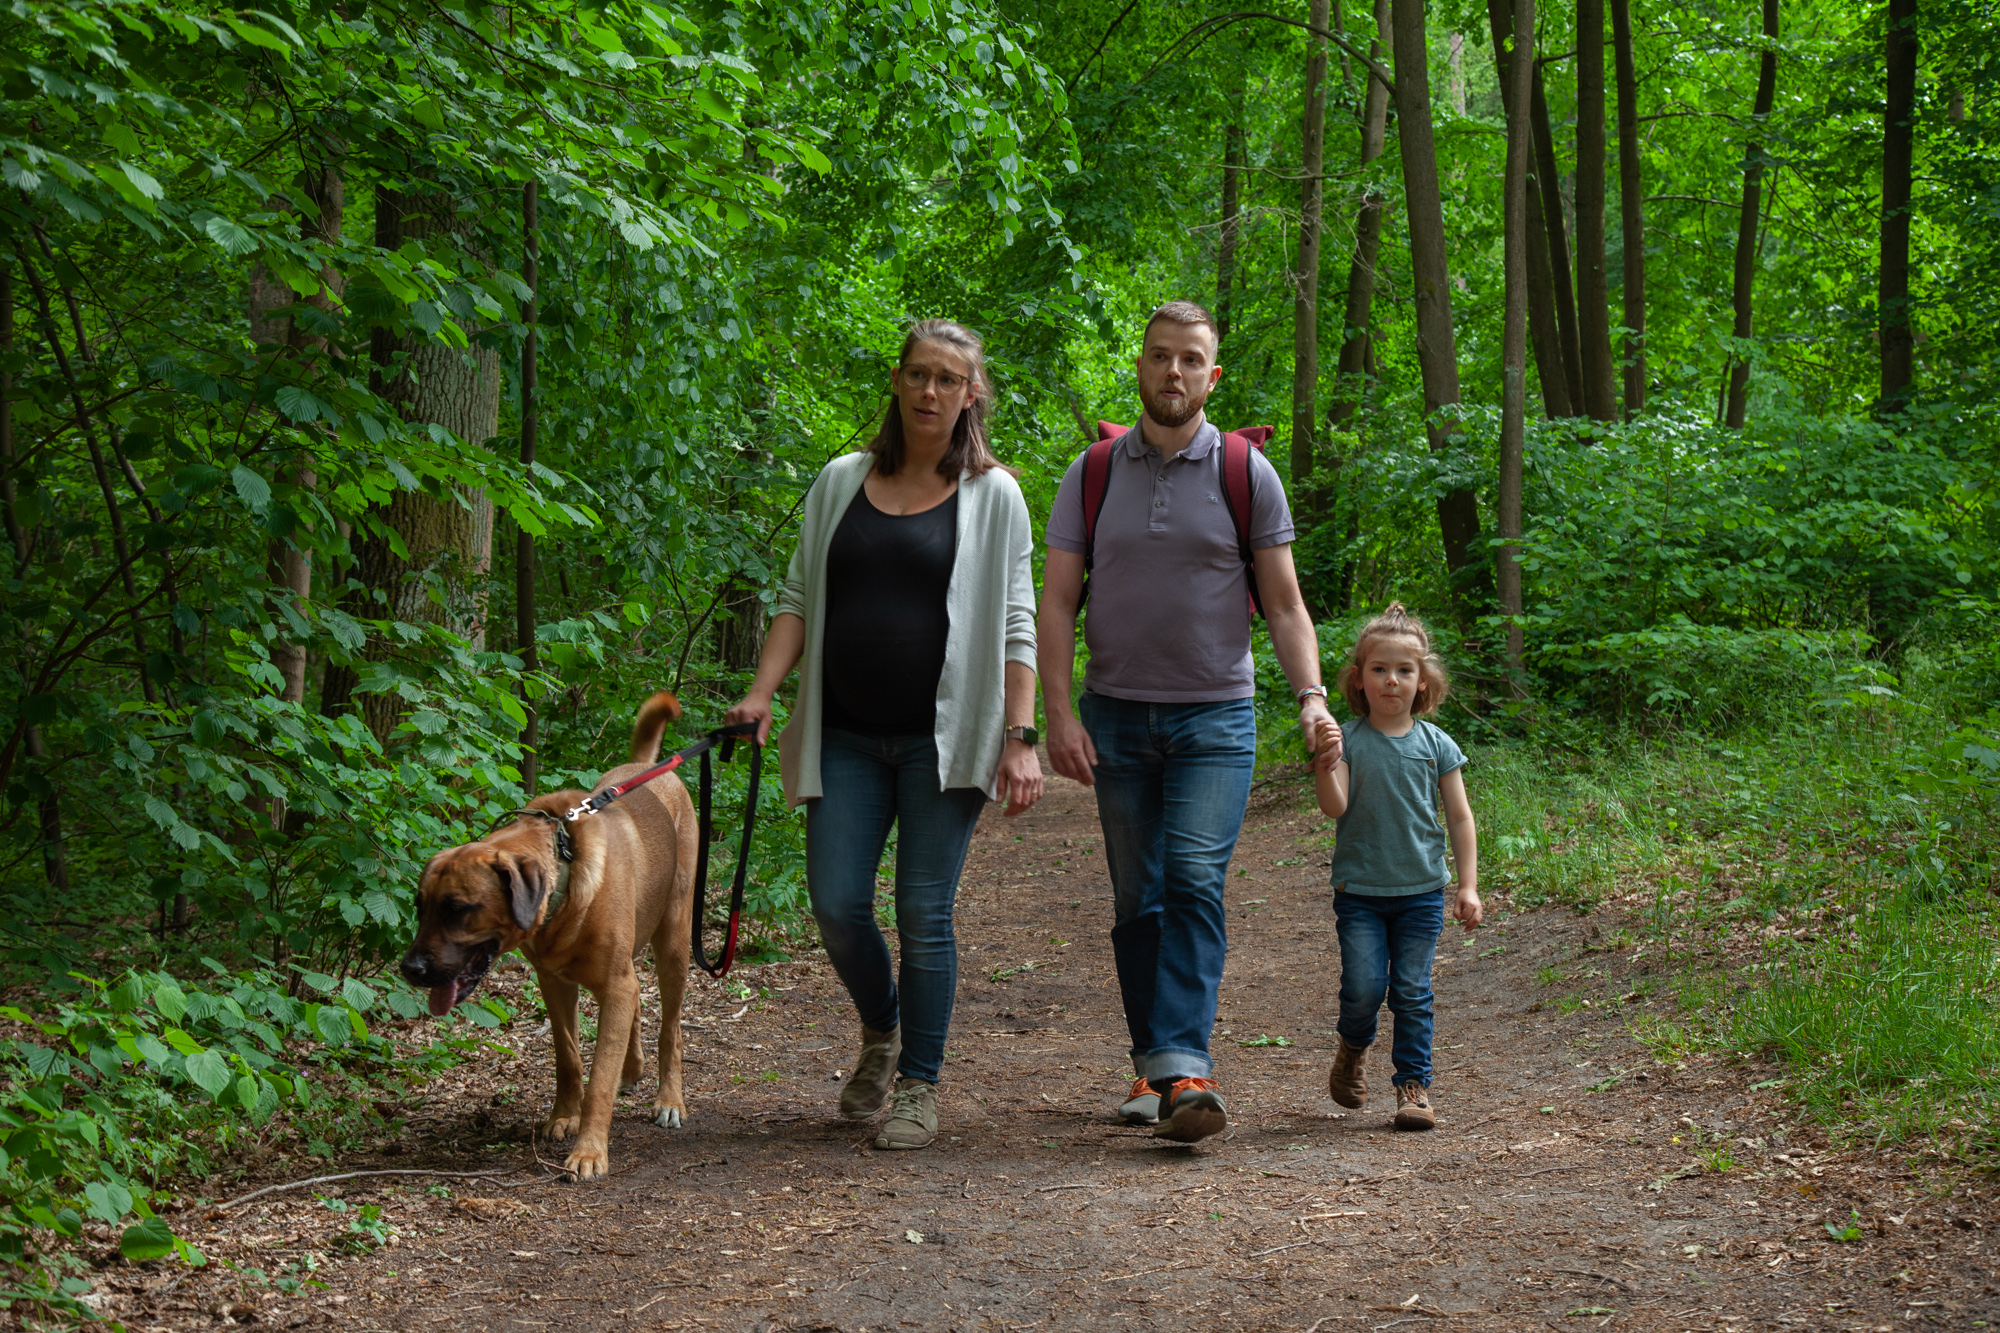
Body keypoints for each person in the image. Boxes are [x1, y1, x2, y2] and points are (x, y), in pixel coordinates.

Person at [726, 319, 1042, 1151]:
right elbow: (797, 596)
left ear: (972, 393)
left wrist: (1020, 732)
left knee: (924, 913)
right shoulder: (839, 480)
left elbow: (1018, 620)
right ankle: (882, 1025)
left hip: (945, 741)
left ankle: (918, 1084)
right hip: (847, 734)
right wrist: (762, 693)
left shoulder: (995, 495)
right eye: (918, 375)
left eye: (949, 379)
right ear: (897, 382)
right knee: (835, 904)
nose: (931, 391)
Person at [1038, 300, 1334, 1144]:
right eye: (1160, 355)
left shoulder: (1245, 472)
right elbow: (1057, 603)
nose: (1174, 371)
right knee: (1139, 896)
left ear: (1213, 374)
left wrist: (1310, 694)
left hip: (1217, 716)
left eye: (1191, 359)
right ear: (1140, 363)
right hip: (1118, 717)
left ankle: (1186, 1068)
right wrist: (1058, 713)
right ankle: (1155, 1066)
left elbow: (1283, 605)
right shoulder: (1092, 472)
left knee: (1195, 881)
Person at [1309, 603, 1481, 1131]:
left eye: (1405, 670)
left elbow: (1459, 816)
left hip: (1422, 891)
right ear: (1359, 679)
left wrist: (1469, 886)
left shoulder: (1436, 745)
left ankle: (1413, 1086)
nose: (1392, 681)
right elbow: (1334, 806)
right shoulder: (1348, 739)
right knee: (1363, 988)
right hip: (1360, 890)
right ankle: (1352, 1048)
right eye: (1380, 669)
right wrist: (1323, 763)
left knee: (1411, 990)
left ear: (1422, 681)